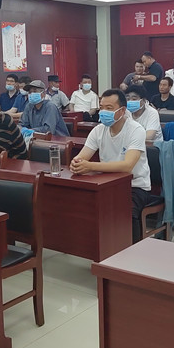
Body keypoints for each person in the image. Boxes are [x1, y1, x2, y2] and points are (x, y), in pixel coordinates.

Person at [70, 89, 152, 243]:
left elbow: (127, 166)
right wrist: (76, 163)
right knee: (83, 206)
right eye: (101, 108)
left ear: (122, 110)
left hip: (135, 186)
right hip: (106, 184)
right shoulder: (98, 130)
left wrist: (91, 166)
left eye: (109, 108)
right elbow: (82, 157)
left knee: (126, 212)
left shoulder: (136, 130)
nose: (103, 112)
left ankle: (133, 250)